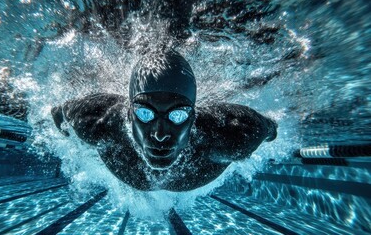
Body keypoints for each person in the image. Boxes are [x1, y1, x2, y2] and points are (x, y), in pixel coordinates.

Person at [51, 49, 277, 191]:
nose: (160, 133)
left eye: (177, 115)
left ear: (193, 117)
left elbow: (271, 129)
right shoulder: (96, 121)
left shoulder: (234, 135)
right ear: (129, 114)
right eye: (145, 113)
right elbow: (58, 113)